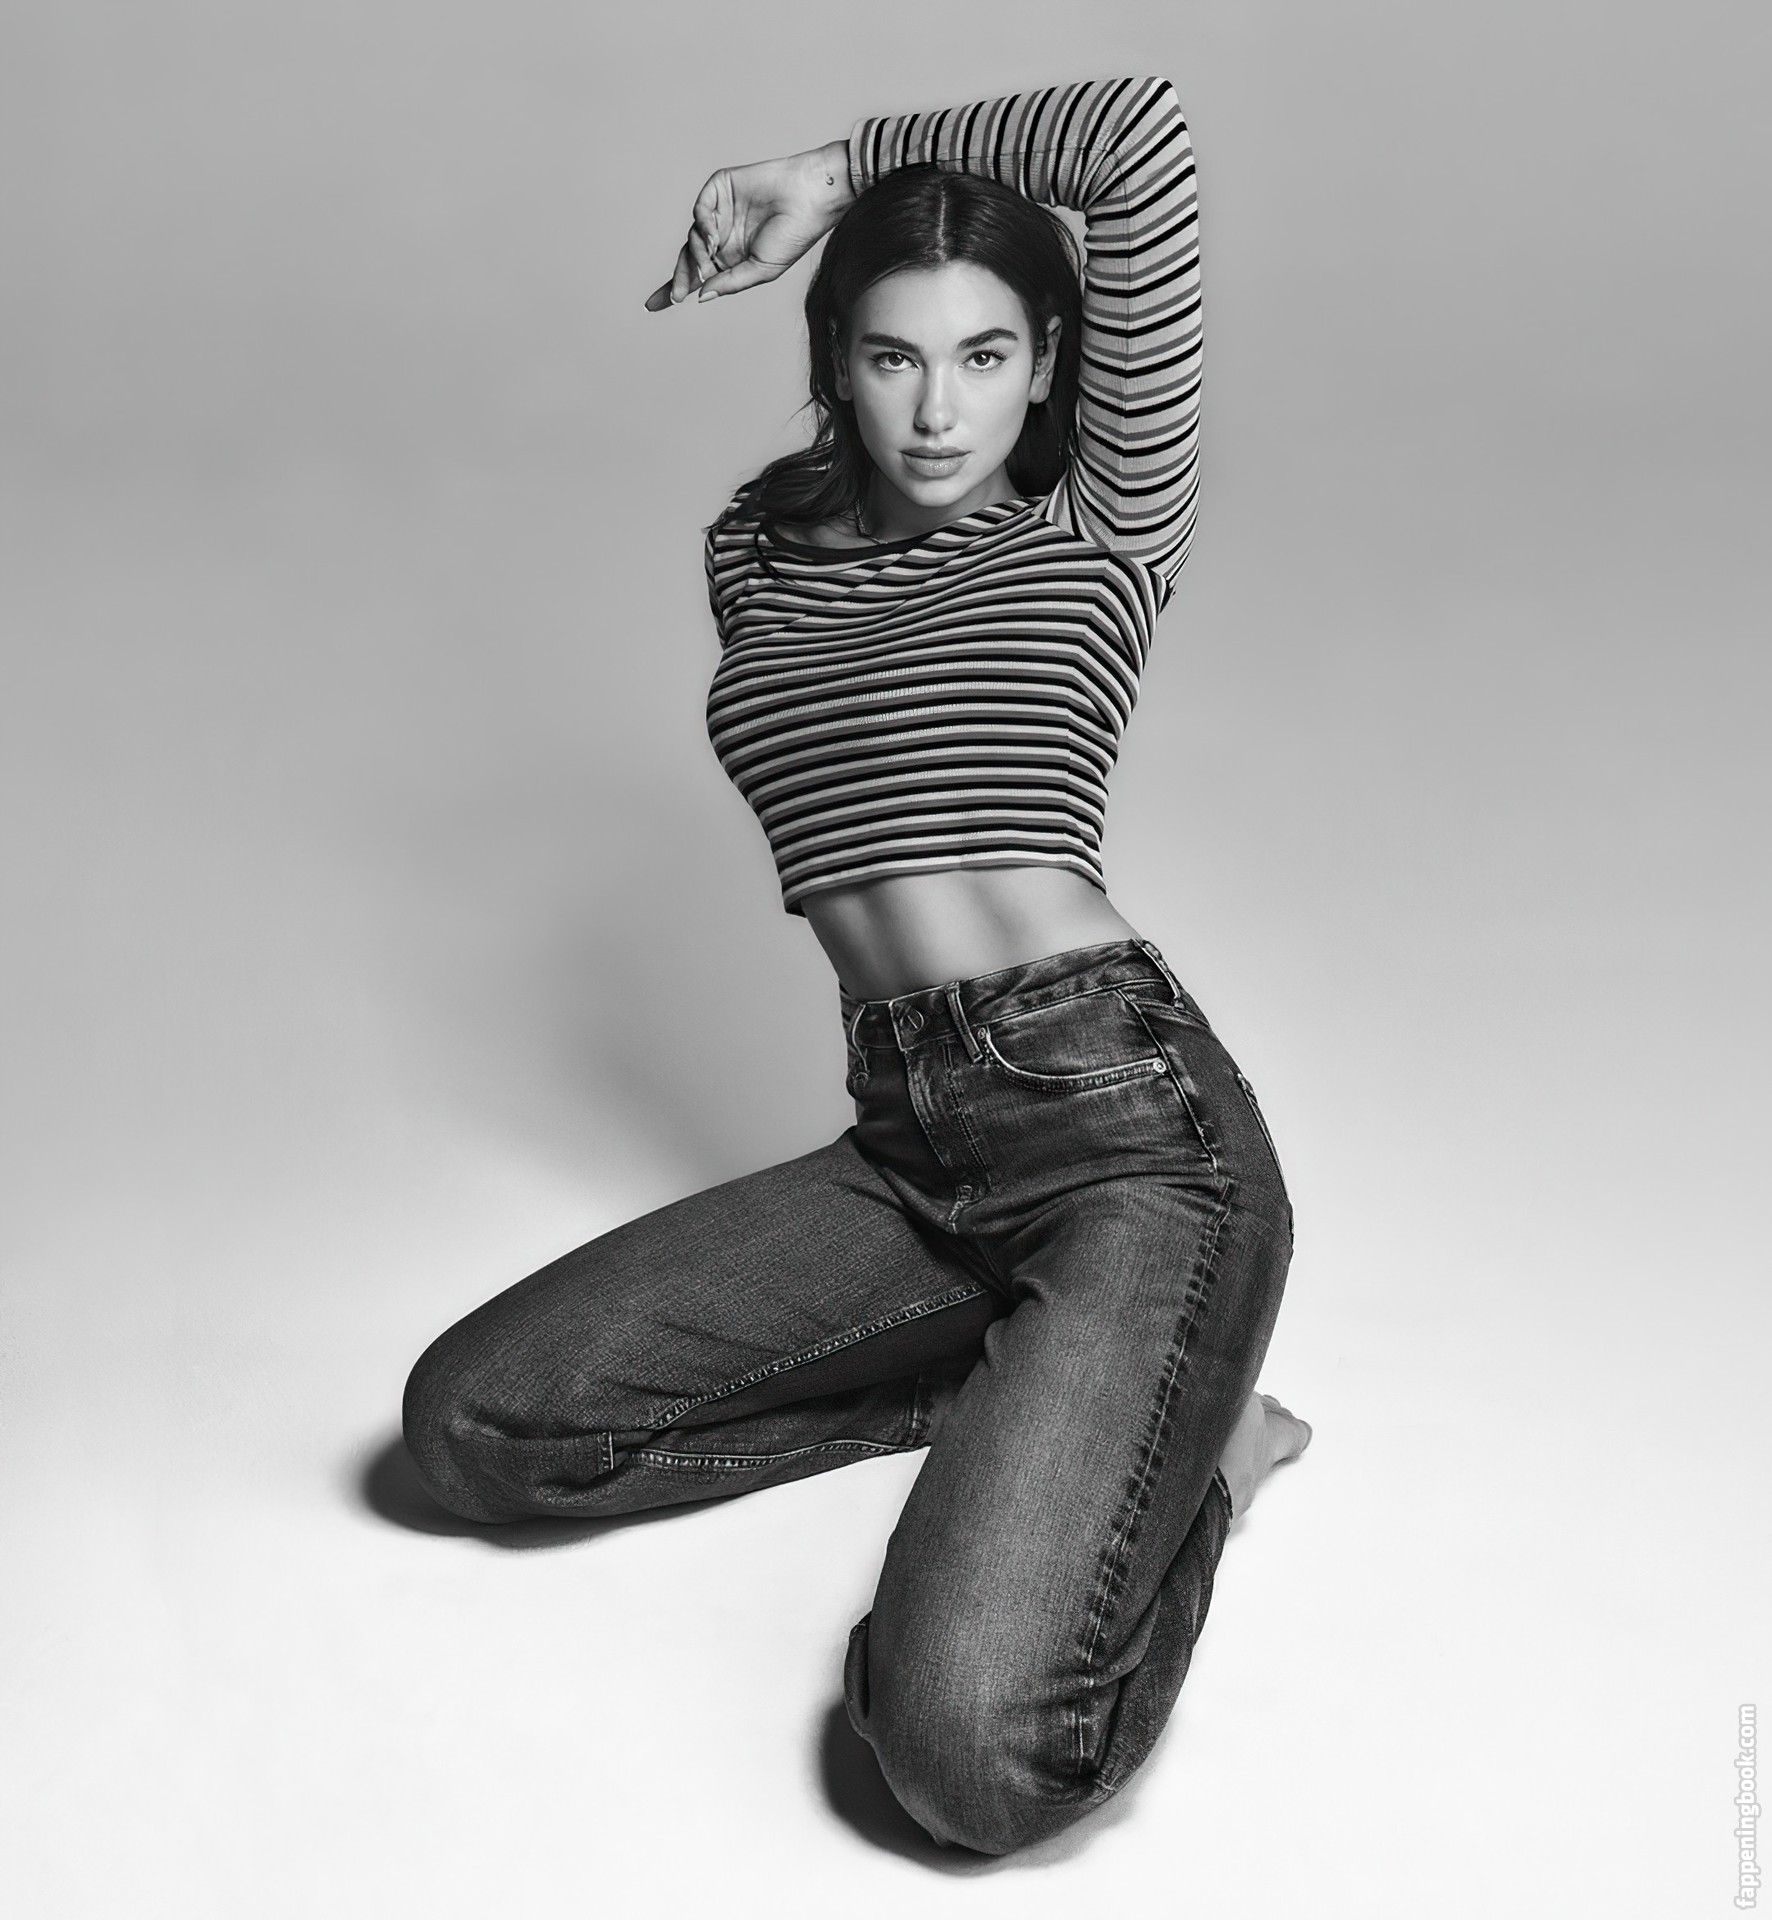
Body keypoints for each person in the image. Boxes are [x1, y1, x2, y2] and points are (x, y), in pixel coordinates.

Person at [401, 74, 1311, 1856]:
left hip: (1132, 1141)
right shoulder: (757, 557)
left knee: (970, 1759)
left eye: (985, 356)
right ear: (836, 363)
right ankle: (1041, 1394)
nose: (939, 407)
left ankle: (1191, 1457)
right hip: (910, 1145)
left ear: (1049, 365)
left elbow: (1134, 135)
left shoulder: (1099, 524)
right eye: (895, 358)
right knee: (478, 1429)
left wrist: (828, 173)